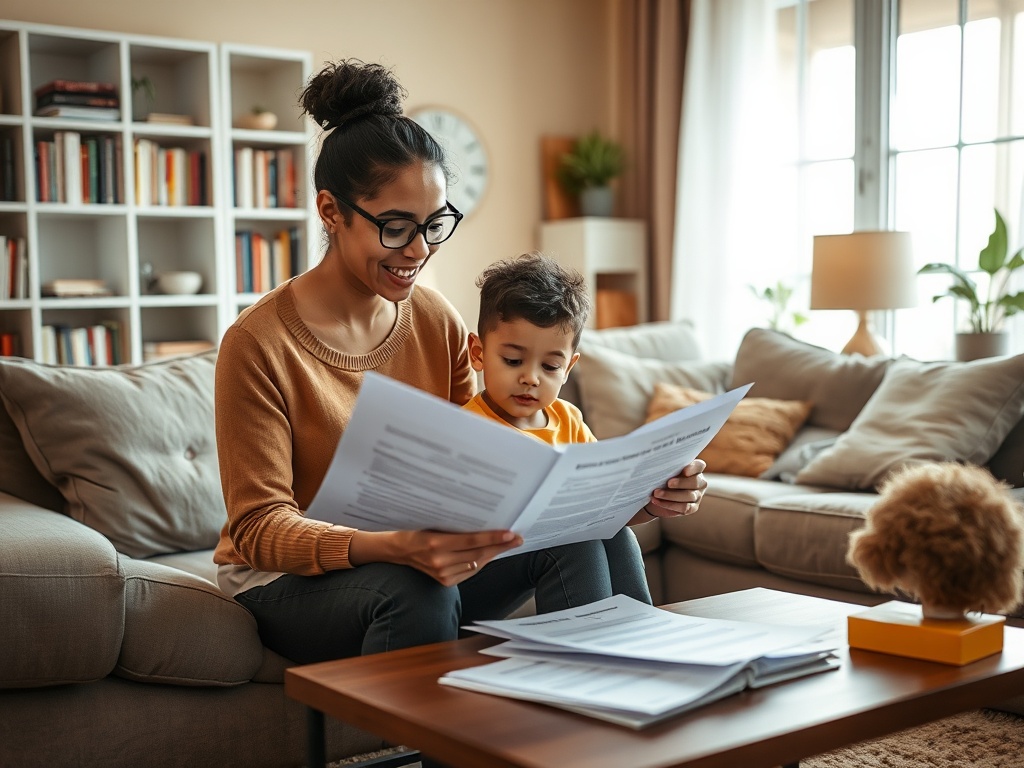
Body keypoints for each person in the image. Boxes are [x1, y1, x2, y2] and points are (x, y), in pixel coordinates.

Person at [212, 58, 708, 669]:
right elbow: (260, 529)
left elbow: (472, 478)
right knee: (413, 585)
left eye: (434, 224)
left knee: (597, 539)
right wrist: (390, 545)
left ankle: (629, 715)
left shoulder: (437, 320)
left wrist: (635, 498)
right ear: (331, 211)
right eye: (395, 227)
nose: (418, 250)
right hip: (282, 583)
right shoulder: (256, 344)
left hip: (417, 556)